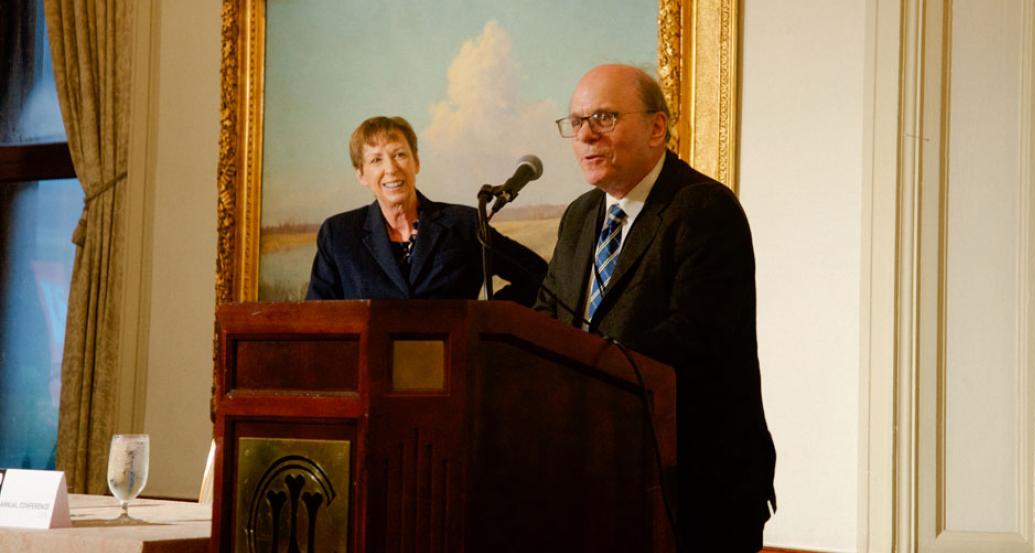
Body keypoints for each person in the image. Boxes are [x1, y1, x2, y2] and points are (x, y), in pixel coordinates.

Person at [535, 65, 776, 551]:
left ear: (656, 127)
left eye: (603, 117)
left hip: (694, 482)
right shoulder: (581, 215)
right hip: (596, 473)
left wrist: (585, 373)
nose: (585, 135)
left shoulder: (703, 208)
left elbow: (693, 337)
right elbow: (547, 315)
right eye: (576, 121)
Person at [307, 116, 546, 302]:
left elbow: (538, 275)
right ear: (361, 174)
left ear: (416, 162)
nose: (391, 169)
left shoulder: (463, 225)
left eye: (399, 155)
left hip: (454, 352)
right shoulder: (338, 235)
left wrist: (484, 317)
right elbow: (317, 318)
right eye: (376, 160)